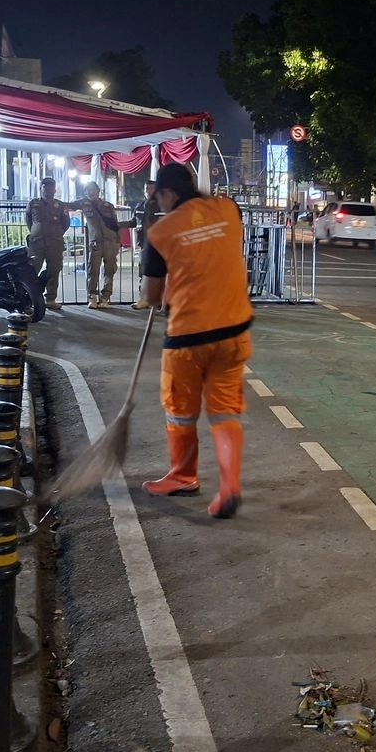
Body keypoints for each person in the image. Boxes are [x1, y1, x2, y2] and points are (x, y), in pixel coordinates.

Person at [140, 163, 252, 519]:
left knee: (181, 412)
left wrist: (170, 283)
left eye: (159, 196)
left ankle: (184, 476)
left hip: (188, 336)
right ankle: (229, 486)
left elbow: (151, 296)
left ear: (169, 193)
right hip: (234, 330)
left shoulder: (160, 233)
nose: (159, 203)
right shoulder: (228, 209)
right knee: (224, 411)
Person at [26, 176, 73, 310]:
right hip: (37, 242)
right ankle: (29, 298)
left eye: (51, 186)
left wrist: (55, 233)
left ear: (54, 189)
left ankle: (50, 299)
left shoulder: (61, 205)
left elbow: (66, 223)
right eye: (45, 186)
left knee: (54, 269)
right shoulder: (33, 203)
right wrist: (37, 232)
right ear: (41, 188)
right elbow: (29, 221)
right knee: (32, 269)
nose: (48, 189)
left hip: (55, 242)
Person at [74, 182, 120, 308]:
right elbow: (68, 205)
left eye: (93, 190)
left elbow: (115, 225)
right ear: (85, 192)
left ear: (99, 191)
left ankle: (105, 298)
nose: (91, 192)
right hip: (95, 242)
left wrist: (118, 242)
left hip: (110, 241)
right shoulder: (84, 204)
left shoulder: (108, 206)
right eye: (88, 190)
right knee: (92, 270)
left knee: (109, 270)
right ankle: (92, 297)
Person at [131, 180, 162, 309]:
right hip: (145, 245)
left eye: (151, 189)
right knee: (143, 272)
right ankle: (143, 299)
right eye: (146, 189)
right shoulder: (139, 207)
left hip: (161, 245)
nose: (148, 191)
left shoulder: (162, 206)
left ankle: (159, 301)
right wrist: (115, 225)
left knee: (160, 274)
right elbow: (133, 222)